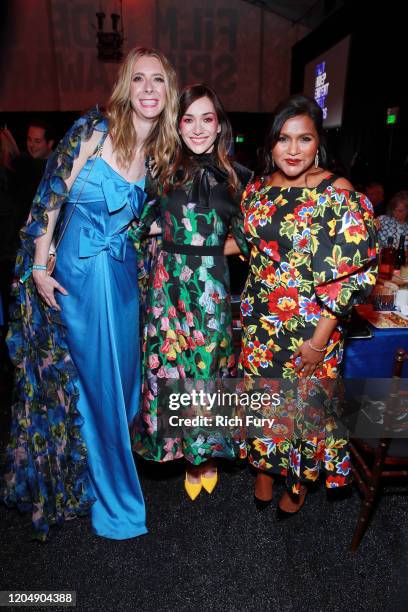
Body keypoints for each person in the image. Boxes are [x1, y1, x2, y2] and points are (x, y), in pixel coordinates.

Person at [1, 47, 179, 540]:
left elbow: (149, 225)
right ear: (126, 86)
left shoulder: (160, 154)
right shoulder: (94, 131)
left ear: (168, 92)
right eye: (139, 79)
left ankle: (87, 472)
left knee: (121, 389)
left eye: (158, 81)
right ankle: (116, 502)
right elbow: (49, 196)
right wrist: (40, 264)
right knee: (100, 385)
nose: (148, 89)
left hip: (122, 281)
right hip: (78, 276)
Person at [239, 94, 378, 516]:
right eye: (284, 139)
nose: (293, 150)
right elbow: (251, 247)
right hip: (261, 321)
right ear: (271, 144)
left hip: (312, 325)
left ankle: (297, 478)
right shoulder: (259, 186)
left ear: (319, 143)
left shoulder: (337, 192)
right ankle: (265, 465)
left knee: (304, 408)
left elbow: (352, 273)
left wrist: (320, 342)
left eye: (304, 139)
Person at [132, 83, 252, 500]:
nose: (198, 128)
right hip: (168, 289)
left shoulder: (239, 178)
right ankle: (184, 451)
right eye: (188, 119)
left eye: (207, 118)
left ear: (220, 125)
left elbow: (251, 239)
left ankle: (207, 453)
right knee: (170, 370)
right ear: (176, 124)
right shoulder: (159, 170)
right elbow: (137, 224)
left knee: (206, 370)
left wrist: (210, 249)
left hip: (210, 290)